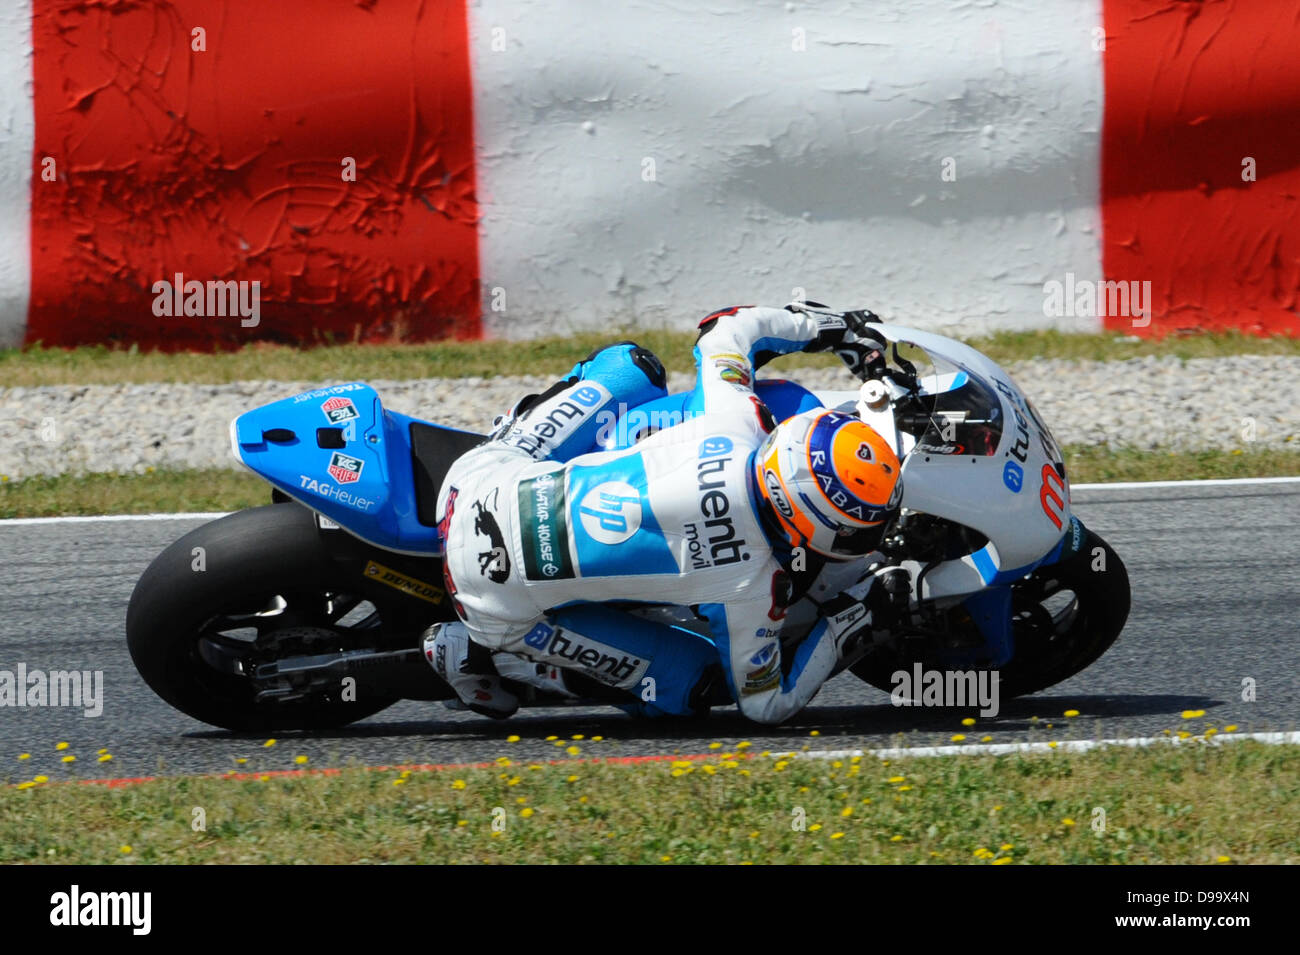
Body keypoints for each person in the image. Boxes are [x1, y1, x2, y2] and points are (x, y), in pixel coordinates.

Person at [423, 303, 907, 724]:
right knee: (689, 688)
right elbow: (765, 706)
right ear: (814, 529)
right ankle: (495, 660)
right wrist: (849, 622)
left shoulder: (736, 415)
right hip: (491, 608)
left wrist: (836, 329)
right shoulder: (751, 588)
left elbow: (728, 326)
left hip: (473, 482)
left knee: (629, 367)